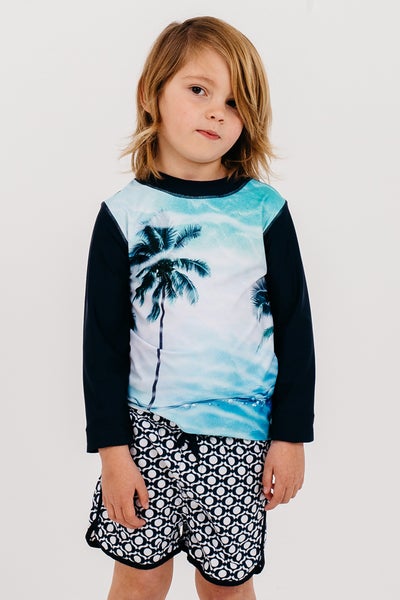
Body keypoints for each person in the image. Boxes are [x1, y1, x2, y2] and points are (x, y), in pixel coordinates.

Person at [83, 15, 315, 600]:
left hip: (239, 437)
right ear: (150, 93)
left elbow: (295, 331)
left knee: (226, 585)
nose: (217, 112)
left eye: (234, 102)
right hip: (144, 437)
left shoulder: (264, 210)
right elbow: (102, 345)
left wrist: (290, 437)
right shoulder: (123, 215)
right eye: (198, 89)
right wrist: (113, 453)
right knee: (139, 578)